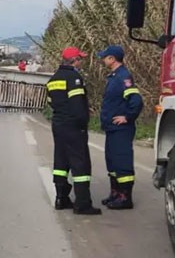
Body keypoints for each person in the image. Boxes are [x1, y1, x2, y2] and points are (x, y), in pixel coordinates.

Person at [46, 46, 101, 215]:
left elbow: (51, 102)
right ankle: (82, 204)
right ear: (74, 61)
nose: (81, 62)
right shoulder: (74, 78)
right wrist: (83, 122)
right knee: (80, 164)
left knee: (61, 162)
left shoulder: (53, 79)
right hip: (73, 126)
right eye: (80, 59)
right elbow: (77, 105)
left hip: (58, 124)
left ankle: (61, 198)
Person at [98, 45, 143, 210]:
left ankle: (125, 197)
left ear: (112, 58)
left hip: (121, 129)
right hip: (111, 128)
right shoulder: (113, 76)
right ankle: (115, 193)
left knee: (122, 161)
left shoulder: (123, 76)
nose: (103, 60)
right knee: (112, 162)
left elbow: (136, 100)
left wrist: (127, 117)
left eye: (105, 57)